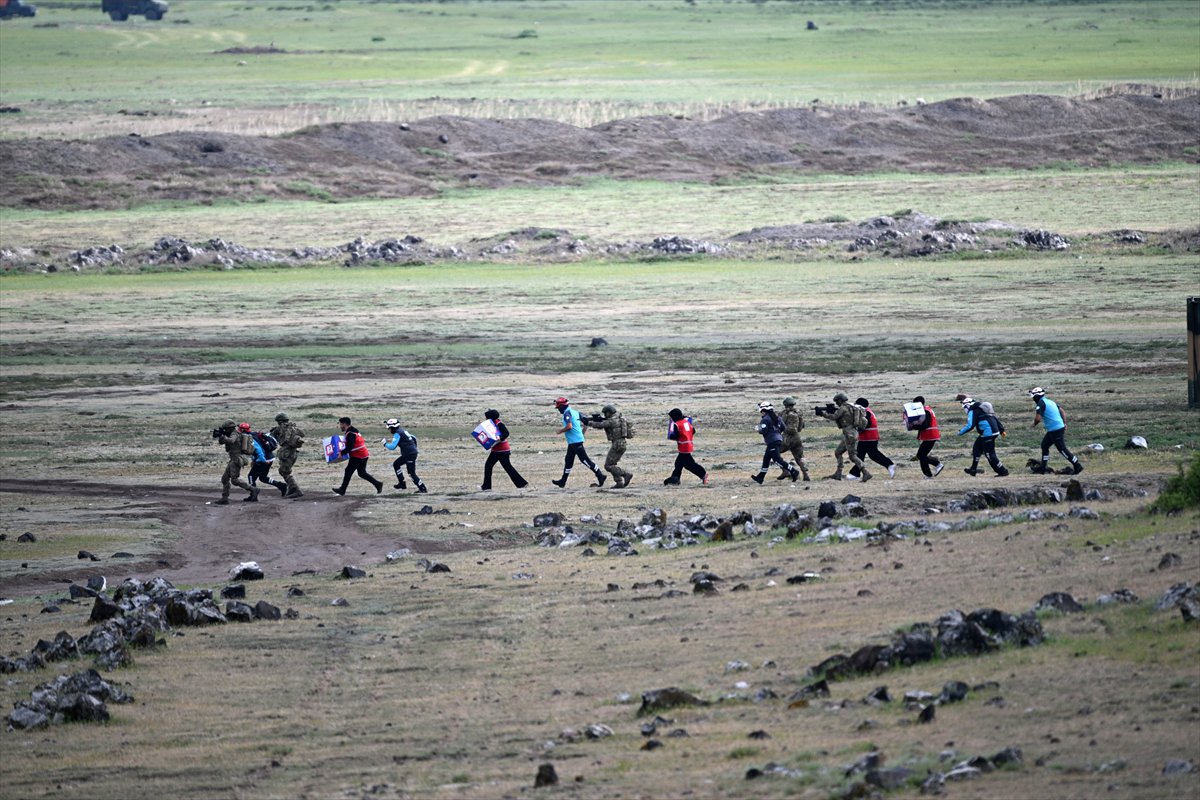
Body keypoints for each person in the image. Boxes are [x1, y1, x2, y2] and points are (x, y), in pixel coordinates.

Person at [815, 392, 871, 481]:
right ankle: (838, 473)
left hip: (850, 434)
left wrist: (823, 414)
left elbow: (834, 417)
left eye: (837, 401)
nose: (836, 403)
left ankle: (865, 472)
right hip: (849, 434)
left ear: (840, 400)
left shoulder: (843, 408)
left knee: (852, 456)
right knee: (838, 452)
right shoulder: (850, 407)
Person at [551, 397, 606, 488]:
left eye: (558, 408)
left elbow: (569, 426)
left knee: (585, 460)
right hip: (574, 441)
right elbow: (586, 422)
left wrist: (560, 431)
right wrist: (581, 434)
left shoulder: (567, 413)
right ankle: (562, 481)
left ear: (562, 407)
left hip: (575, 442)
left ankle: (600, 475)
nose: (558, 410)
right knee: (568, 461)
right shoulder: (576, 413)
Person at [1028, 387, 1083, 474]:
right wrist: (1064, 423)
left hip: (1055, 430)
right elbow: (1062, 411)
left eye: (1033, 397)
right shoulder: (1049, 401)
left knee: (1062, 449)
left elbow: (1038, 419)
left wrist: (1033, 424)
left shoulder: (1041, 403)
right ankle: (1043, 468)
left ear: (1037, 396)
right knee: (1045, 445)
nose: (1033, 399)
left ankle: (1077, 465)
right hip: (1055, 429)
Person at [584, 404, 633, 488]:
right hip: (620, 443)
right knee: (612, 464)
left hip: (617, 444)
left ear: (609, 412)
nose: (605, 415)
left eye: (605, 413)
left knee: (608, 466)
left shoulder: (612, 421)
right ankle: (619, 483)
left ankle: (625, 474)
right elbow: (603, 424)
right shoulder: (619, 418)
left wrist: (588, 423)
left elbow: (601, 425)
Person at [957, 397, 1009, 476]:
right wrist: (1002, 430)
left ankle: (1003, 472)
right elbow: (994, 418)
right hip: (992, 431)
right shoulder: (982, 408)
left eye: (964, 408)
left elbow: (970, 425)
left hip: (988, 433)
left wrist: (960, 432)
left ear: (967, 406)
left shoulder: (973, 410)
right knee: (976, 448)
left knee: (990, 454)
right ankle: (973, 469)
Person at [332, 417, 383, 495]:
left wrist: (341, 453)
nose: (340, 426)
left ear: (344, 424)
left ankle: (342, 489)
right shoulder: (353, 430)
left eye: (340, 424)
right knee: (361, 473)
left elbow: (350, 447)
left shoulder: (350, 434)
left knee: (348, 471)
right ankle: (378, 484)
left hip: (358, 455)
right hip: (364, 454)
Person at [480, 409, 528, 490]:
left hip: (502, 450)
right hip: (497, 450)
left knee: (490, 466)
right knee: (505, 467)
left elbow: (506, 433)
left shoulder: (499, 424)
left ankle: (486, 487)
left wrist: (500, 438)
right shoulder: (491, 424)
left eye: (486, 417)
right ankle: (522, 484)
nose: (485, 419)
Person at [848, 398, 896, 480]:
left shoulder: (865, 412)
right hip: (869, 437)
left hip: (868, 437)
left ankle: (855, 474)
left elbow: (866, 423)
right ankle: (889, 464)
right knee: (871, 454)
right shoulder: (867, 411)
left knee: (861, 455)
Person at [214, 419, 258, 505]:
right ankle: (224, 498)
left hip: (236, 459)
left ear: (230, 428)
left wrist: (222, 435)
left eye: (226, 429)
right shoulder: (231, 434)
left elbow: (231, 441)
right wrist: (221, 435)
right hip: (233, 459)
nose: (225, 430)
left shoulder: (235, 434)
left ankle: (253, 489)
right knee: (225, 479)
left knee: (234, 480)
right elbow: (222, 442)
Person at [752, 401, 797, 483]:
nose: (761, 413)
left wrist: (758, 429)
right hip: (778, 440)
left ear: (763, 410)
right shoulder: (777, 418)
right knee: (766, 459)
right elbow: (784, 428)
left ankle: (793, 471)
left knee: (777, 460)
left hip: (772, 441)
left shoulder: (765, 419)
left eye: (761, 411)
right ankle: (760, 477)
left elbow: (764, 431)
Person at [664, 407, 709, 485]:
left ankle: (703, 474)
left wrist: (671, 436)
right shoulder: (686, 422)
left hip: (683, 447)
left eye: (672, 417)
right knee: (678, 463)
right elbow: (693, 431)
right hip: (688, 446)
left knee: (689, 465)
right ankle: (675, 479)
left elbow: (676, 436)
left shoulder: (677, 424)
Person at [382, 417, 427, 492]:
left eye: (389, 428)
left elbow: (392, 447)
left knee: (411, 474)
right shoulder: (403, 431)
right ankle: (402, 483)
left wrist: (385, 443)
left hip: (409, 455)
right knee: (396, 464)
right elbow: (414, 438)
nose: (389, 430)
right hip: (408, 454)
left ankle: (423, 489)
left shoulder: (397, 434)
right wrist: (414, 448)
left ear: (392, 428)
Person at [245, 423, 288, 496]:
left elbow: (258, 450)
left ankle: (253, 494)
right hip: (269, 458)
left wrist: (262, 460)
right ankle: (281, 486)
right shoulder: (255, 434)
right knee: (263, 478)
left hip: (263, 459)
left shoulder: (249, 438)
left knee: (251, 476)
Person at [270, 412, 305, 499]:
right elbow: (302, 434)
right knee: (286, 471)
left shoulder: (280, 428)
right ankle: (291, 489)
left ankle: (297, 490)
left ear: (280, 421)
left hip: (286, 452)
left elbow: (271, 436)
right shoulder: (294, 427)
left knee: (284, 471)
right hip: (294, 452)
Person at [909, 396, 944, 479]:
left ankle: (937, 464)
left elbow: (925, 425)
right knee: (921, 455)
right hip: (930, 436)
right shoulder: (926, 410)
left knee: (921, 455)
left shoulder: (925, 411)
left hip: (930, 436)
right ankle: (928, 475)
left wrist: (913, 426)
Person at [779, 397, 812, 482]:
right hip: (797, 437)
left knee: (774, 452)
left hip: (787, 438)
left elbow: (782, 426)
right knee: (799, 458)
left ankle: (785, 470)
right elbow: (800, 427)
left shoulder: (784, 414)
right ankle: (806, 474)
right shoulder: (798, 413)